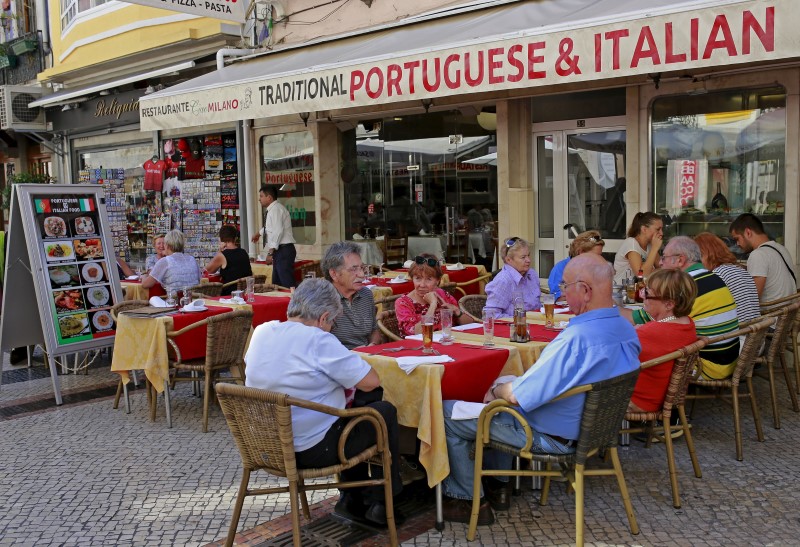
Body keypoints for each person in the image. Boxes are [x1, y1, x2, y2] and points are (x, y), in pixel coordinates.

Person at [440, 254, 640, 525]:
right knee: (501, 392)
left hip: (552, 436)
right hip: (596, 430)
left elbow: (519, 396)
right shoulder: (626, 329)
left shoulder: (575, 340)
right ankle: (501, 486)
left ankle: (466, 500)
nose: (561, 294)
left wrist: (496, 391)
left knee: (448, 411)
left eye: (565, 287)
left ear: (585, 290)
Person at [244, 279, 403, 527]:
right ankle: (383, 503)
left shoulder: (262, 331)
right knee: (382, 410)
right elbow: (371, 380)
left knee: (355, 407)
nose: (331, 328)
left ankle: (352, 499)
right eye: (332, 323)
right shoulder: (318, 339)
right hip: (311, 450)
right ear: (324, 317)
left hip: (265, 446)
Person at [624, 236, 739, 380]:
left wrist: (606, 304)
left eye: (664, 257)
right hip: (729, 360)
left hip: (707, 366)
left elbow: (636, 319)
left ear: (680, 260)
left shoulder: (684, 287)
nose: (660, 262)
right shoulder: (713, 277)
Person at [629, 268, 698, 413]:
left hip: (638, 400)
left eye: (647, 293)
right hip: (660, 396)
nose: (642, 296)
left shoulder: (653, 332)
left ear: (669, 304)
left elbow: (611, 358)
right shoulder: (686, 324)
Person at [323, 241, 382, 349]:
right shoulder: (323, 300)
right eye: (353, 269)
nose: (362, 275)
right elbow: (317, 343)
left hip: (367, 356)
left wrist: (372, 345)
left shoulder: (366, 294)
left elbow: (374, 330)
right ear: (334, 274)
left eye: (362, 268)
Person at [729, 213, 797, 304]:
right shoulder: (781, 249)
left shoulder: (758, 255)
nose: (737, 244)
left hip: (770, 316)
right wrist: (743, 268)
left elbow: (752, 299)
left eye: (737, 239)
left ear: (748, 233)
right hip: (787, 313)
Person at [694, 232, 760, 325]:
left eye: (697, 258)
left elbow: (703, 311)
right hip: (753, 335)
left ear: (707, 254)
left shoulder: (717, 276)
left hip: (737, 335)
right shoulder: (739, 270)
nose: (695, 263)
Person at [395, 254, 467, 336]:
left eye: (429, 279)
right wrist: (433, 305)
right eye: (418, 278)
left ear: (437, 280)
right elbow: (417, 333)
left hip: (447, 343)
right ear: (412, 279)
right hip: (420, 347)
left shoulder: (443, 294)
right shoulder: (403, 303)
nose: (422, 285)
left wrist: (456, 310)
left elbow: (469, 325)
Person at [250, 184, 297, 287]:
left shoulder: (276, 210)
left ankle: (295, 302)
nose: (259, 199)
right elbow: (270, 227)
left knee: (286, 283)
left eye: (261, 196)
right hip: (280, 250)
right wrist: (259, 234)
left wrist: (270, 252)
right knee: (277, 284)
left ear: (269, 197)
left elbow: (277, 231)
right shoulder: (274, 209)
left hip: (283, 250)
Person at [484, 237, 541, 316]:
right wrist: (518, 321)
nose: (528, 260)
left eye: (528, 255)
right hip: (515, 327)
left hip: (537, 323)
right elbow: (491, 315)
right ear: (508, 260)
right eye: (523, 257)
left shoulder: (532, 274)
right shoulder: (503, 281)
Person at [548, 230, 605, 299]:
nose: (598, 259)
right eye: (595, 256)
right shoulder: (560, 269)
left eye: (600, 255)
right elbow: (557, 299)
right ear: (581, 252)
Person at [612, 212, 663, 284]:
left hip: (639, 290)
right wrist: (654, 249)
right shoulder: (631, 243)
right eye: (658, 229)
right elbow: (642, 275)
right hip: (622, 291)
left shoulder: (650, 245)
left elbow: (661, 268)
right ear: (644, 229)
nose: (661, 233)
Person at [205, 225, 253, 296]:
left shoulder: (222, 255)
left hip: (229, 293)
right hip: (245, 291)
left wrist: (219, 250)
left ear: (221, 239)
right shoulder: (243, 252)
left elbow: (208, 270)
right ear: (235, 238)